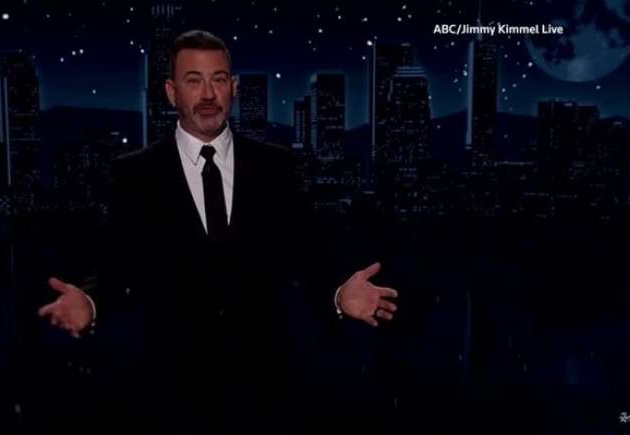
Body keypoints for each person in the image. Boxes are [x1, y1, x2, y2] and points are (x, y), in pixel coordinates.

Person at [38, 29, 398, 434]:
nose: (208, 94)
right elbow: (115, 266)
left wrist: (338, 294)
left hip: (267, 388)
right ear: (171, 92)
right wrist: (90, 302)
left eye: (219, 79)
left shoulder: (276, 166)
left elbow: (308, 256)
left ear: (234, 88)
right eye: (194, 81)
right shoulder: (134, 173)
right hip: (168, 390)